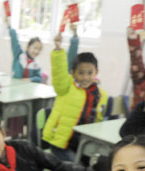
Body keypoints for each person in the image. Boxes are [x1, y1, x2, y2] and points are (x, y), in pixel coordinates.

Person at [42, 33, 108, 161]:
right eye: (81, 73)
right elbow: (59, 73)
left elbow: (98, 119)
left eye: (90, 73)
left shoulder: (101, 95)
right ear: (72, 73)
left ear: (96, 73)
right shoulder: (66, 87)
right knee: (76, 168)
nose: (85, 77)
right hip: (60, 143)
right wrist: (58, 50)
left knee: (96, 165)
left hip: (83, 144)